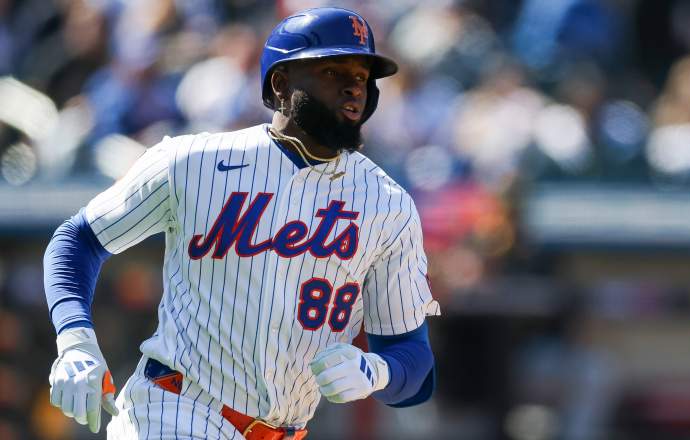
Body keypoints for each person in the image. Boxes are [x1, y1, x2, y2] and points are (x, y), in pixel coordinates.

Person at [43, 7, 440, 439]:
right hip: (174, 409)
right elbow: (78, 238)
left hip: (285, 430)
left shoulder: (387, 204)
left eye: (362, 76)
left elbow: (414, 365)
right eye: (332, 71)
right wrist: (75, 340)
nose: (353, 87)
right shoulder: (193, 162)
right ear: (281, 83)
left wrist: (376, 369)